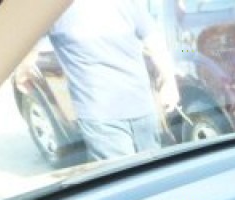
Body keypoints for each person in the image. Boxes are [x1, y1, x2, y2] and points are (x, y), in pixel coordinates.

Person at [48, 0, 179, 161]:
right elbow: (155, 42)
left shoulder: (51, 9)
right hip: (139, 105)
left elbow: (23, 39)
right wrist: (169, 83)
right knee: (150, 170)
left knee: (123, 176)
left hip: (103, 115)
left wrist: (23, 70)